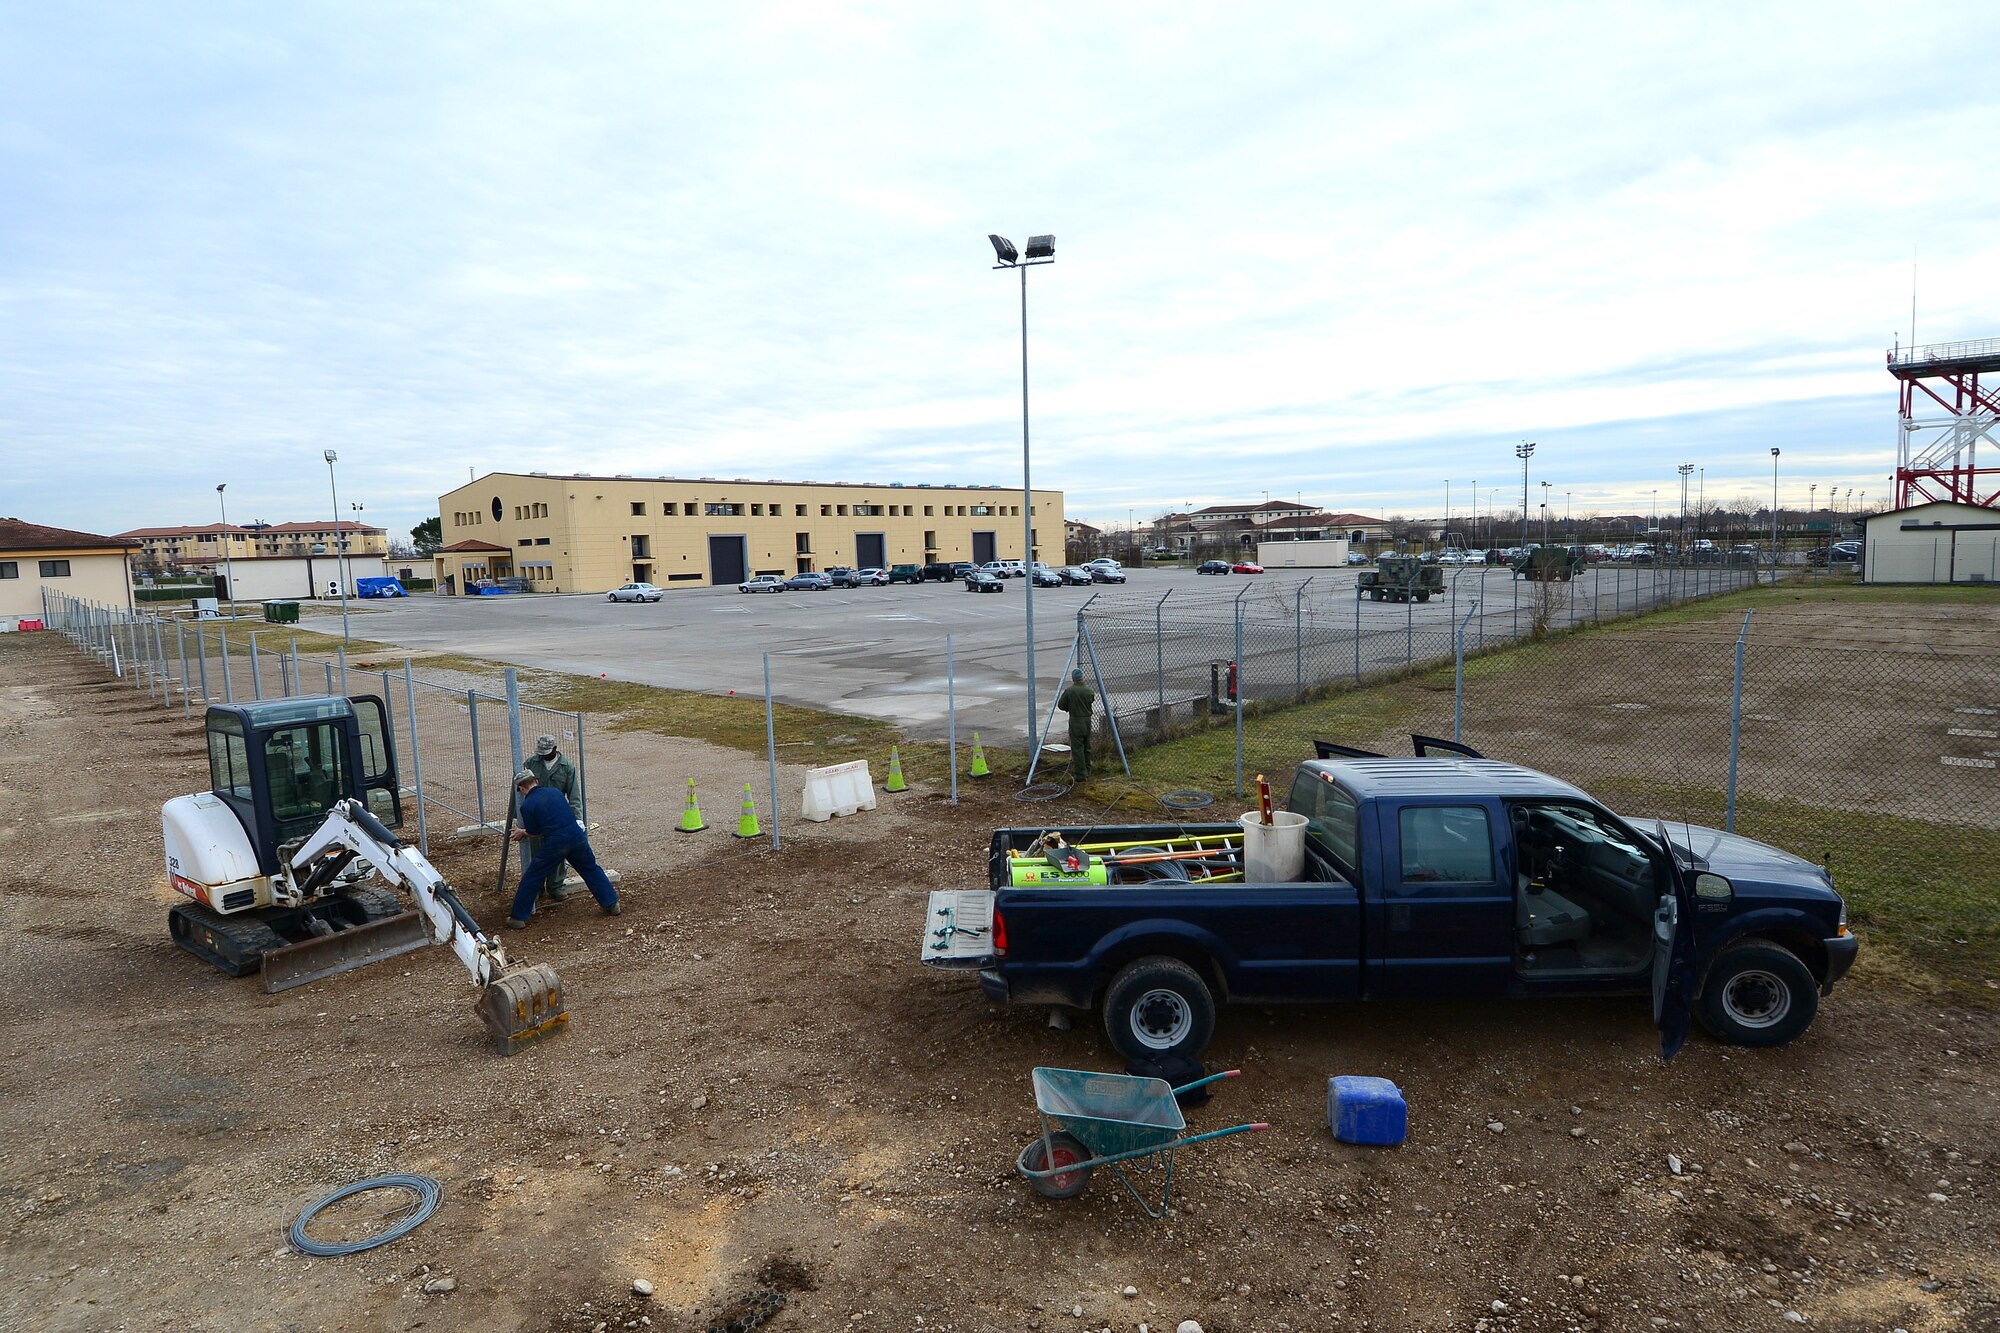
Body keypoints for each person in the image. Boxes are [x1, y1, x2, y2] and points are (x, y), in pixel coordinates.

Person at [507, 768, 620, 927]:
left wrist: (522, 832)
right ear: (536, 781)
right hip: (576, 836)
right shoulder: (555, 792)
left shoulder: (527, 805)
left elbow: (535, 831)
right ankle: (611, 903)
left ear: (522, 788)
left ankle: (518, 917)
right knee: (590, 869)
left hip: (556, 842)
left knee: (533, 876)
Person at [522, 734, 579, 901]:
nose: (542, 756)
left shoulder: (566, 767)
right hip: (536, 815)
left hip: (556, 817)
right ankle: (537, 887)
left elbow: (574, 795)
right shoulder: (531, 763)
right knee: (536, 852)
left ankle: (556, 886)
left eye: (546, 752)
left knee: (558, 852)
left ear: (554, 749)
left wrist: (577, 820)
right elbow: (521, 789)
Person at [1055, 668, 1096, 782]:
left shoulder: (1070, 691)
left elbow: (1061, 705)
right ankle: (1088, 770)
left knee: (1077, 749)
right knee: (1087, 747)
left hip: (1076, 721)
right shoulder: (1089, 690)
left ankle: (1081, 775)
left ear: (1073, 679)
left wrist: (1071, 707)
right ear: (1082, 677)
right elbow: (1091, 700)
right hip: (1087, 721)